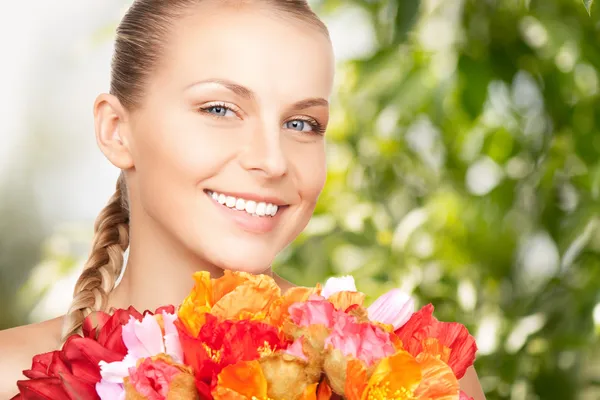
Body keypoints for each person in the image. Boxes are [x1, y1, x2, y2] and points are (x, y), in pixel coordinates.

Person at [0, 1, 486, 398]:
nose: (272, 161)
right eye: (220, 109)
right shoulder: (10, 377)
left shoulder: (413, 376)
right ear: (116, 130)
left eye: (302, 124)